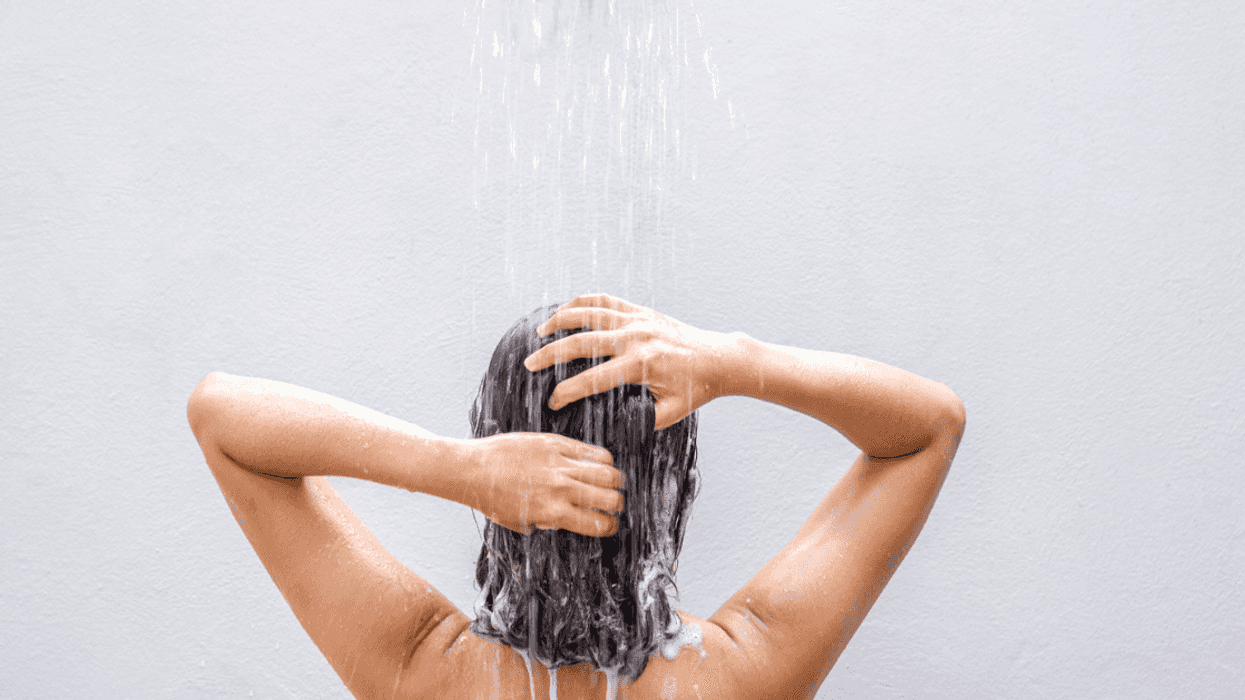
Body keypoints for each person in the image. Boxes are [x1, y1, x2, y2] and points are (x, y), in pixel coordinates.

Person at [188, 293, 966, 699]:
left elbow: (222, 414)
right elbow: (929, 426)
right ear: (672, 484)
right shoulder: (743, 675)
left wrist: (451, 466)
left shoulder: (420, 671)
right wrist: (735, 362)